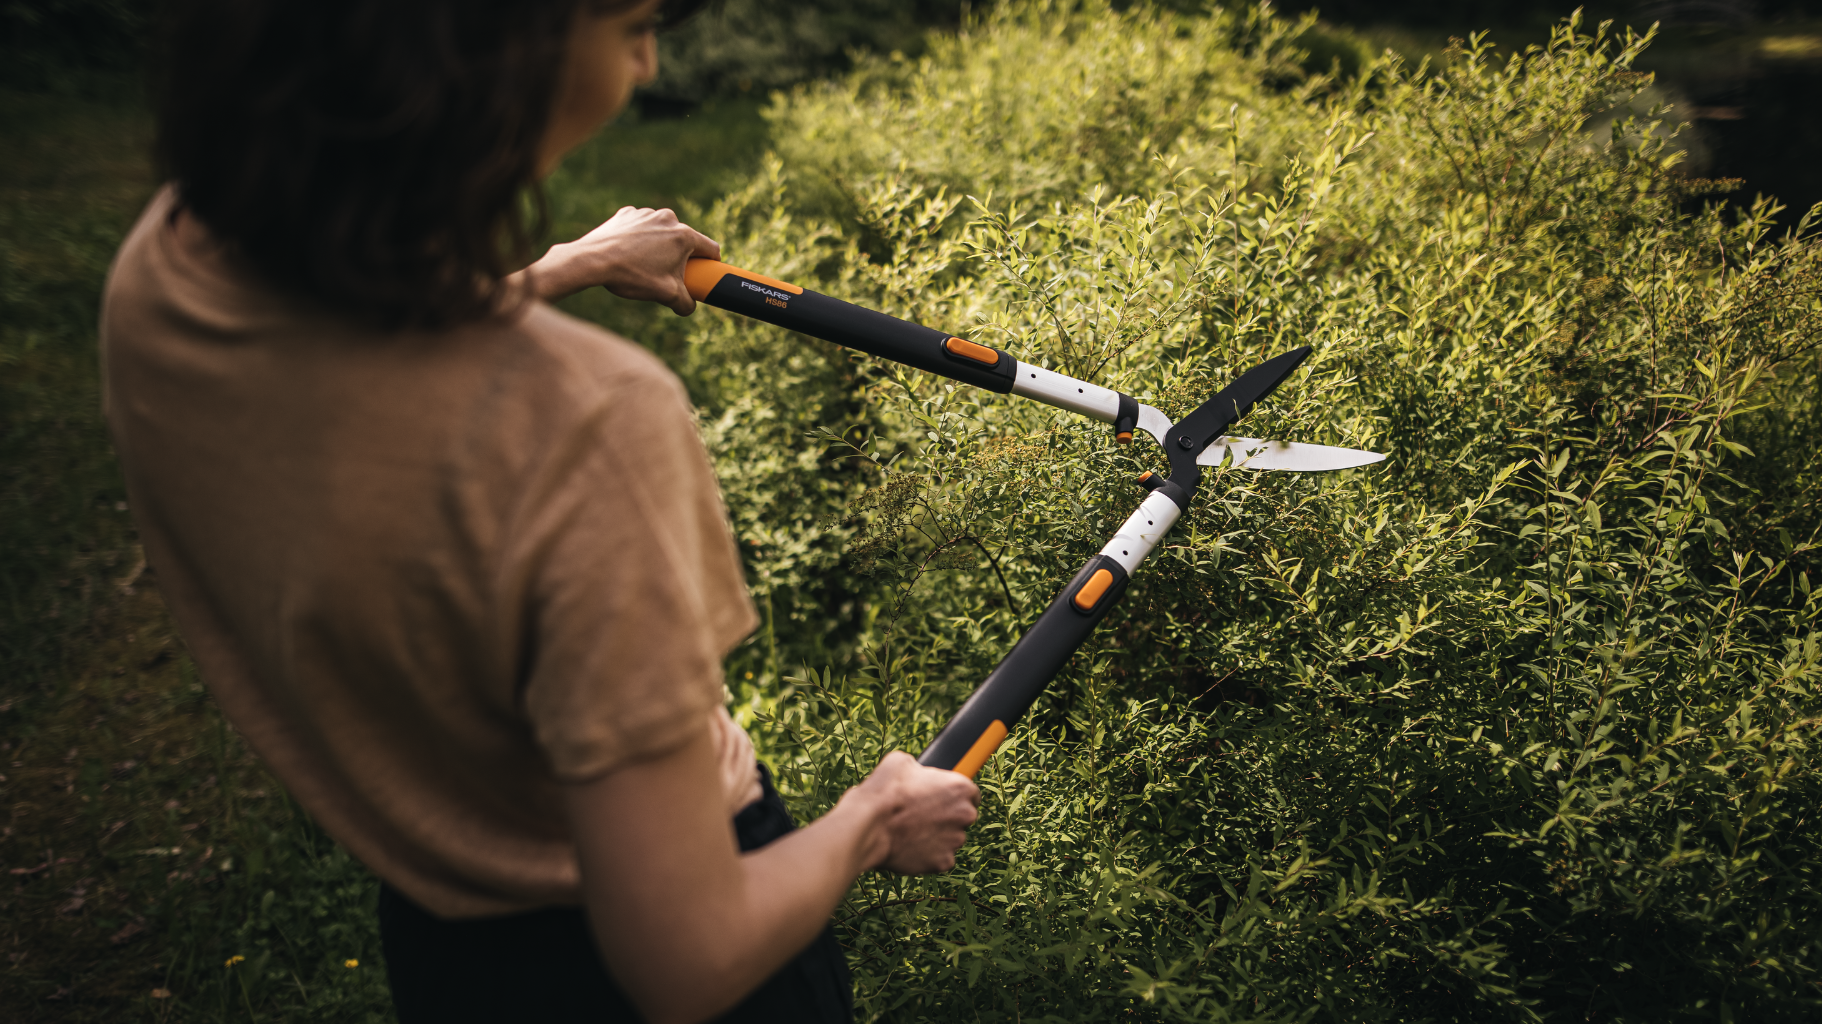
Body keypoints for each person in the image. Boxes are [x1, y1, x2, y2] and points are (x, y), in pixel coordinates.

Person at [100, 1, 981, 1021]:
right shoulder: (586, 422)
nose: (649, 64)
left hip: (448, 951)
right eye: (634, 23)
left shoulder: (172, 268)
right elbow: (687, 959)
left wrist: (564, 265)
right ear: (485, 46)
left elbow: (381, 353)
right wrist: (872, 821)